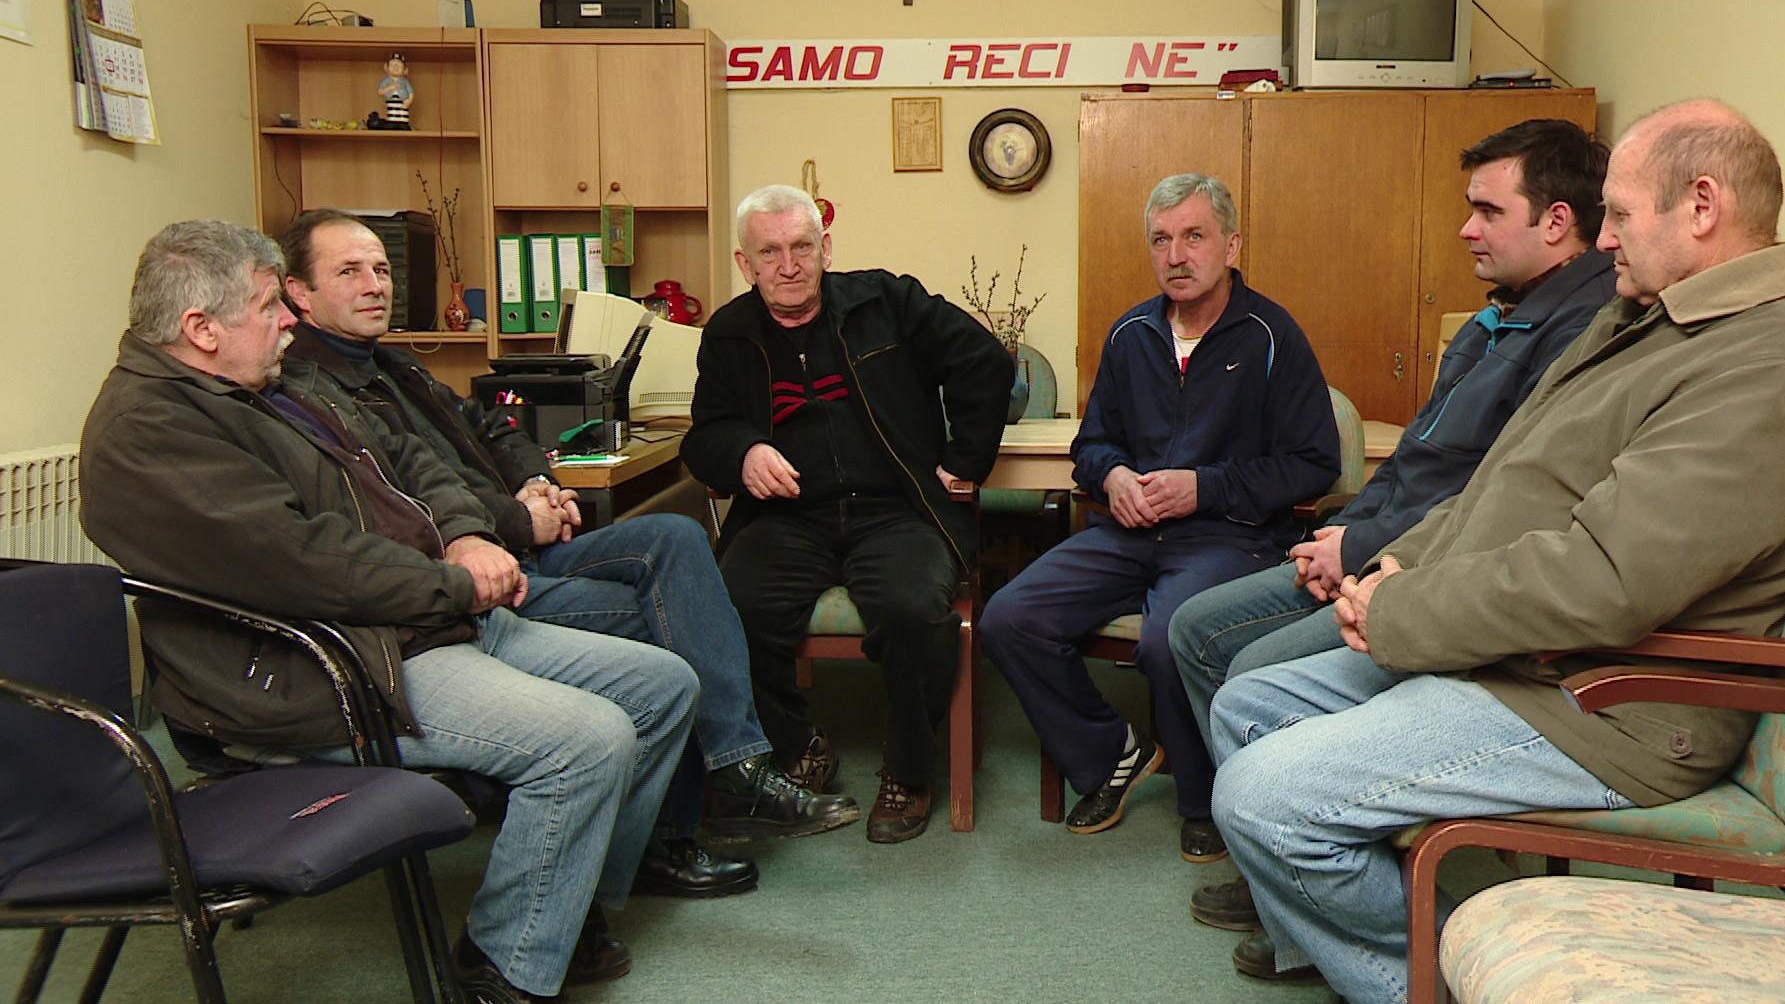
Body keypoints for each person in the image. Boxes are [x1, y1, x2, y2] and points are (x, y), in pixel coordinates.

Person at [1205, 100, 1785, 1003]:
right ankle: (1364, 943)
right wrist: (1401, 563)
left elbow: (1603, 581)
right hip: (1529, 657)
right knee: (1249, 705)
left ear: (1702, 206)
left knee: (1263, 795)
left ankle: (1437, 980)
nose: (1604, 239)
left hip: (1610, 704)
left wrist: (1403, 611)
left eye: (1621, 214)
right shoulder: (1654, 316)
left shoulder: (1771, 367)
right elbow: (1507, 481)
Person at [79, 220, 701, 1004]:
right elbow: (307, 564)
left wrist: (469, 536)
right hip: (332, 668)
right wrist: (457, 585)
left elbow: (409, 458)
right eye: (270, 306)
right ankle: (504, 970)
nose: (289, 320)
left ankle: (563, 909)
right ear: (202, 329)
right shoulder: (148, 432)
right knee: (588, 739)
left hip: (413, 625)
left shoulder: (265, 385)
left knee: (663, 687)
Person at [277, 208, 859, 901]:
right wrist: (518, 520)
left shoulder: (391, 364)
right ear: (299, 293)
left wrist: (534, 481)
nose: (376, 285)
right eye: (349, 272)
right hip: (471, 585)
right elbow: (404, 505)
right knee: (666, 624)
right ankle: (667, 839)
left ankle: (732, 770)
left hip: (514, 546)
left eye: (380, 269)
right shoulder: (311, 394)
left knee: (675, 537)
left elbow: (493, 423)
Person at [1171, 120, 1615, 914]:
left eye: (1487, 210)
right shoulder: (1496, 320)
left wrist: (1364, 549)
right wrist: (1339, 537)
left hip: (1426, 573)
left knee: (1250, 675)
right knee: (1195, 629)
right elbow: (1415, 460)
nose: (1466, 228)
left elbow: (1498, 496)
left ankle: (1299, 854)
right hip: (1372, 544)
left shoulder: (1578, 336)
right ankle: (1264, 840)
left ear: (1555, 222)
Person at [978, 173, 1342, 861]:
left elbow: (1312, 463)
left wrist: (1204, 488)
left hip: (1228, 536)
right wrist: (1112, 475)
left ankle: (1203, 799)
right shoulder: (1131, 334)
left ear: (1231, 246)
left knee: (1170, 638)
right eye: (1161, 240)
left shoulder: (1272, 335)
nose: (1176, 255)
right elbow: (1092, 444)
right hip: (1129, 530)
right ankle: (1110, 754)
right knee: (1008, 617)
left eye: (1194, 236)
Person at [683, 183, 1014, 844]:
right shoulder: (728, 334)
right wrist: (743, 451)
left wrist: (965, 460)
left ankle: (908, 771)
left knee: (914, 611)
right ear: (746, 264)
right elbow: (705, 435)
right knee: (725, 609)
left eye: (801, 247)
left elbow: (985, 361)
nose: (788, 265)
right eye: (769, 252)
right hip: (786, 518)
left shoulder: (886, 301)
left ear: (826, 249)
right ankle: (798, 744)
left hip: (896, 510)